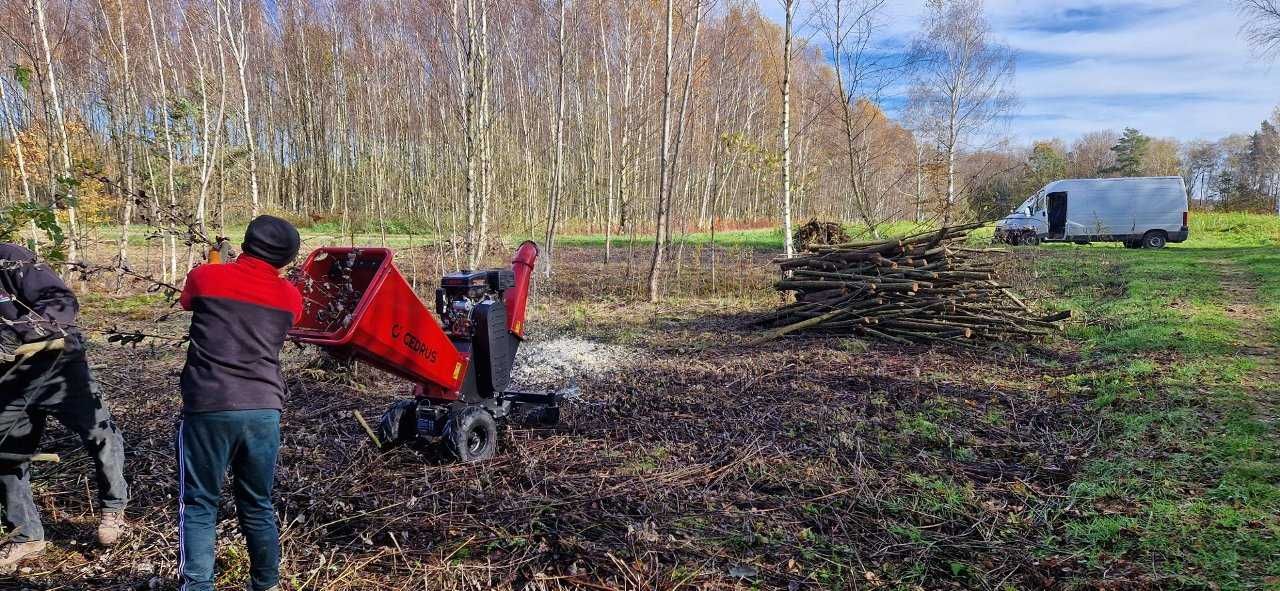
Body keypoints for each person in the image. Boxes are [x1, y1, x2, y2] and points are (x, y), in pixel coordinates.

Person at [176, 216, 302, 591]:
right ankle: (267, 584)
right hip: (264, 408)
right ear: (286, 260)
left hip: (209, 406)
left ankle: (198, 586)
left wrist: (217, 264)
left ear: (246, 243)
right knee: (257, 503)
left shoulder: (206, 276)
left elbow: (189, 301)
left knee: (199, 505)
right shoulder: (291, 296)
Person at [0, 244, 129, 571]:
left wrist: (16, 334)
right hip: (9, 381)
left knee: (100, 434)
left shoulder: (9, 258)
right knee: (6, 452)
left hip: (58, 365)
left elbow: (60, 301)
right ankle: (27, 535)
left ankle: (114, 507)